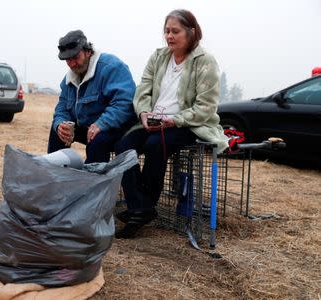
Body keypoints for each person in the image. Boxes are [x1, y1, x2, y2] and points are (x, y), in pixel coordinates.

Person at [114, 9, 229, 239]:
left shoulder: (205, 61)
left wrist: (173, 120)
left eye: (175, 31)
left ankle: (140, 209)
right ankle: (141, 207)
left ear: (191, 32)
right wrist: (144, 113)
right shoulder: (158, 57)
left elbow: (205, 107)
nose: (169, 36)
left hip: (186, 124)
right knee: (123, 146)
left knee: (155, 145)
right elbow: (142, 90)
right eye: (166, 31)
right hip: (154, 120)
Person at [47, 30, 136, 163]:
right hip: (89, 128)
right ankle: (56, 176)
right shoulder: (69, 79)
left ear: (88, 51)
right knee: (57, 133)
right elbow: (62, 108)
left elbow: (124, 103)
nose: (71, 64)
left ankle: (94, 181)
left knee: (97, 141)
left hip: (116, 128)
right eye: (67, 60)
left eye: (75, 57)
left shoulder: (112, 67)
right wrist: (61, 125)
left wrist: (102, 124)